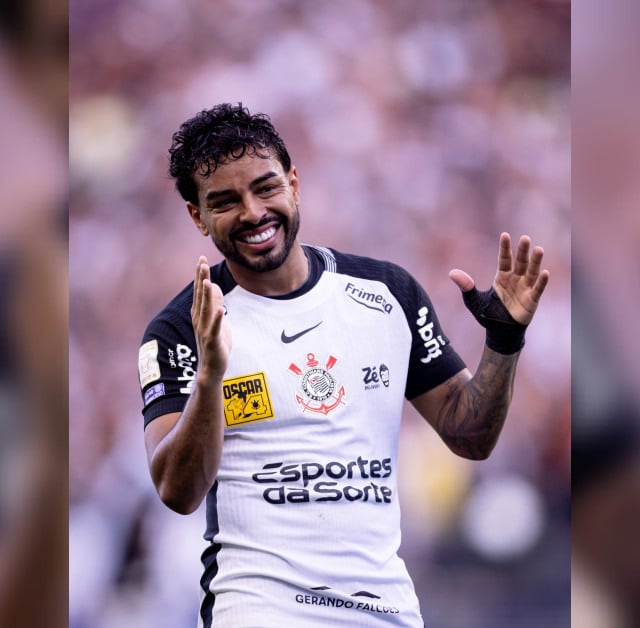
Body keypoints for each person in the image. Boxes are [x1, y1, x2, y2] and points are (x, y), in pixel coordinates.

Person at [138, 102, 549, 627]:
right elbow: (178, 492)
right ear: (198, 216)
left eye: (265, 188)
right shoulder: (183, 327)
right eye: (225, 201)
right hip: (260, 611)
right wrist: (210, 375)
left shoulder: (387, 293)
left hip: (384, 611)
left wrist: (504, 339)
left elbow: (470, 436)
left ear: (294, 184)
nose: (253, 213)